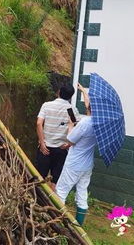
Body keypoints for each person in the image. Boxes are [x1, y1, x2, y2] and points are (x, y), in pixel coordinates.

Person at [56, 83, 96, 226]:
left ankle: (57, 222)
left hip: (74, 164)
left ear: (89, 107)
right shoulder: (98, 123)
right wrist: (83, 91)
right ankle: (79, 224)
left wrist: (70, 126)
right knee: (82, 193)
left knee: (61, 191)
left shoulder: (85, 123)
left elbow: (71, 139)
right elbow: (88, 106)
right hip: (87, 165)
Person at [35, 83, 79, 190]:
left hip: (45, 147)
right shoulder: (71, 110)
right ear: (70, 96)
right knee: (56, 181)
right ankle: (51, 202)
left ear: (58, 92)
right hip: (61, 149)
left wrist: (41, 142)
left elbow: (39, 123)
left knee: (39, 178)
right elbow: (74, 128)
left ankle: (37, 200)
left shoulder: (47, 105)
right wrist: (69, 144)